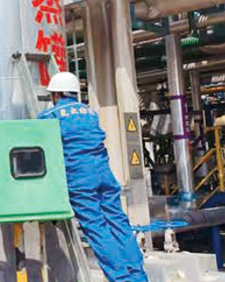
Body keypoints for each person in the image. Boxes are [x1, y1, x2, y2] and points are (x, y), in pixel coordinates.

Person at [38, 72, 148, 282]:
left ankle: (121, 278)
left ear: (56, 94)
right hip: (103, 173)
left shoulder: (50, 116)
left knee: (97, 227)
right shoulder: (90, 113)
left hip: (80, 178)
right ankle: (138, 275)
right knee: (118, 221)